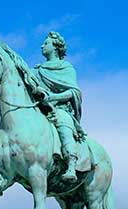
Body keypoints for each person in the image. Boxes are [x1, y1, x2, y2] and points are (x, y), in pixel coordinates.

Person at [32, 32, 87, 182]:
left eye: (46, 43)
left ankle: (71, 163)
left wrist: (54, 98)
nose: (42, 45)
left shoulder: (66, 68)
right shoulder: (37, 70)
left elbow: (74, 92)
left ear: (55, 47)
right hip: (40, 108)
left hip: (60, 109)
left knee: (62, 121)